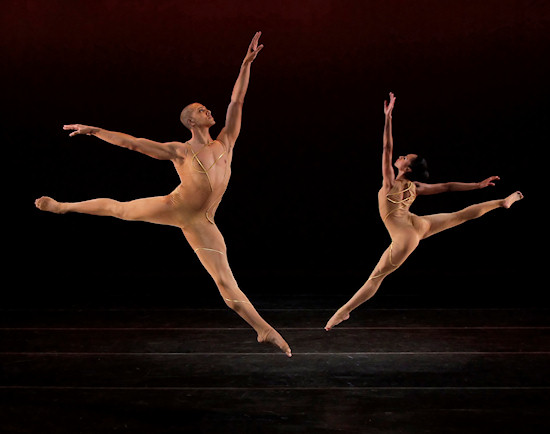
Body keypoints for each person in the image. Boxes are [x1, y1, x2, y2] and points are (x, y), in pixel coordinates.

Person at [35, 32, 292, 357]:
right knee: (121, 210)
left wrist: (245, 65)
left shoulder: (226, 141)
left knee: (226, 285)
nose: (207, 110)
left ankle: (263, 330)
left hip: (202, 222)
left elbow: (237, 101)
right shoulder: (180, 151)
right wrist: (96, 131)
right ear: (189, 121)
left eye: (206, 107)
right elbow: (133, 143)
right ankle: (62, 206)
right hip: (174, 206)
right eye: (201, 109)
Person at [325, 92, 523, 331]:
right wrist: (478, 185)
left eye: (405, 157)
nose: (401, 156)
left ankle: (343, 311)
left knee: (376, 277)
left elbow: (387, 147)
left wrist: (388, 117)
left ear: (407, 167)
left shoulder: (390, 182)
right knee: (459, 216)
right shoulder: (415, 187)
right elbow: (448, 186)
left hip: (406, 235)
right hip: (417, 224)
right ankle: (501, 202)